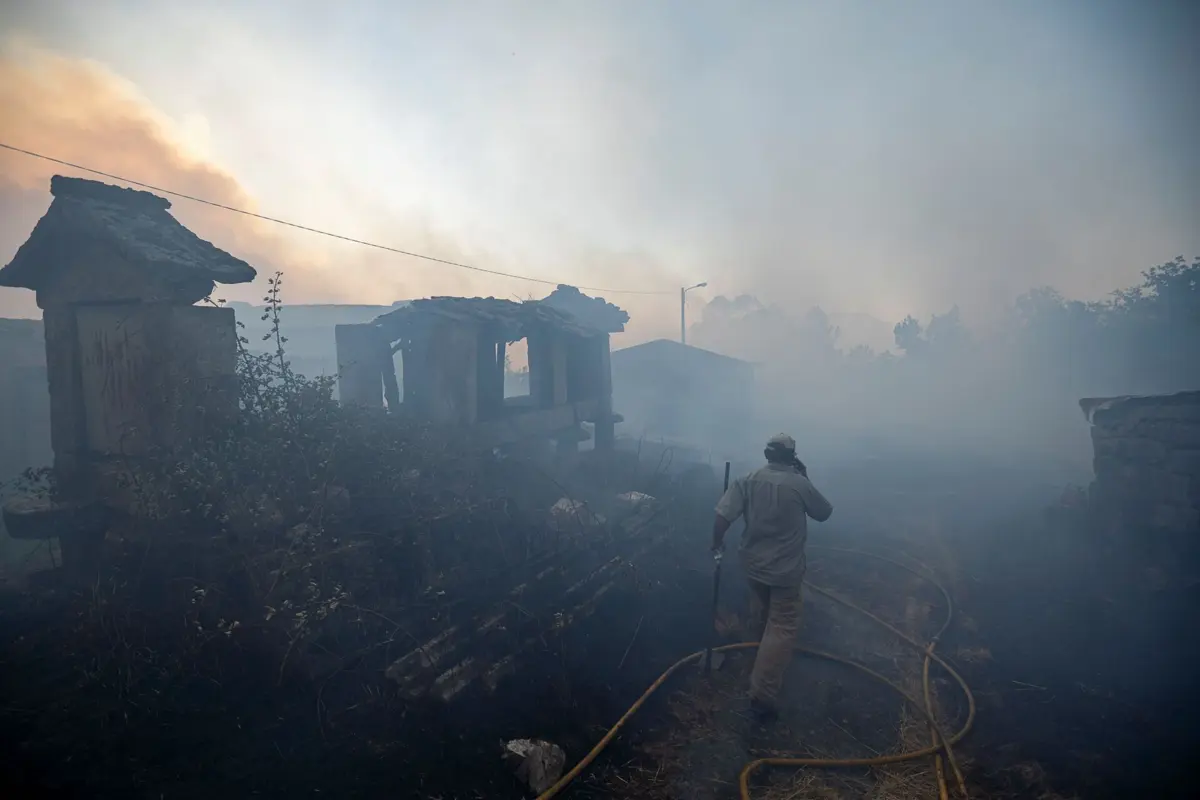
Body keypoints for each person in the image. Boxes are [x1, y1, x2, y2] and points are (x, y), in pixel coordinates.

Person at [711, 433, 833, 720]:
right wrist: (806, 476)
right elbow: (824, 513)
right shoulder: (799, 484)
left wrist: (716, 543)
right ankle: (761, 695)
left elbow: (722, 516)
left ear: (767, 455)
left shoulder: (748, 479)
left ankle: (758, 655)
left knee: (764, 611)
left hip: (753, 565)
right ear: (791, 457)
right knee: (783, 626)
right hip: (784, 572)